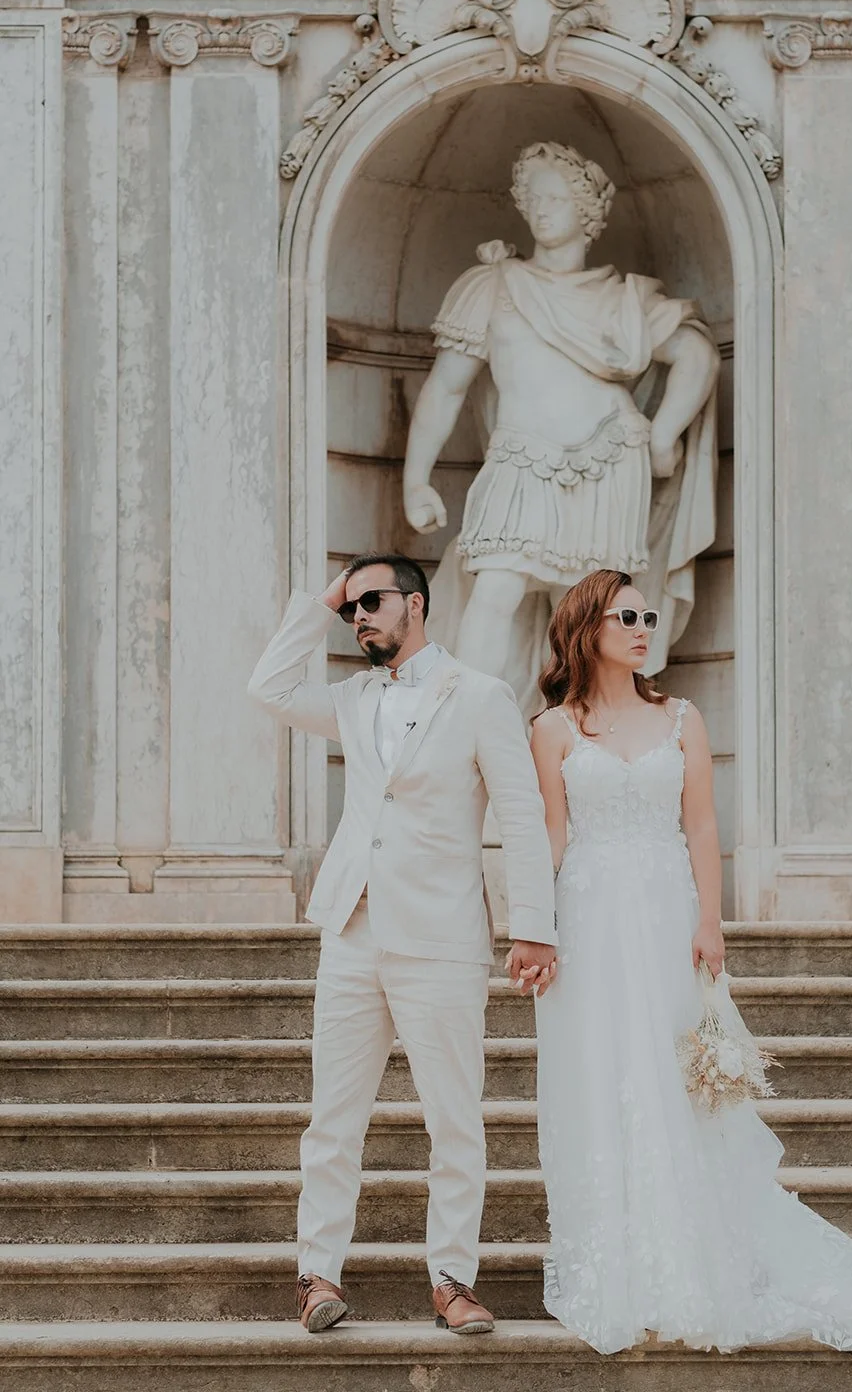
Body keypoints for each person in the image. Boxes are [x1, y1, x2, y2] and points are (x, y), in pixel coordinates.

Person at [529, 569, 852, 1368]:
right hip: (586, 917)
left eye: (648, 615)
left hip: (661, 912)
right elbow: (552, 836)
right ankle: (617, 1262)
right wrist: (534, 930)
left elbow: (700, 827)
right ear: (588, 628)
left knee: (673, 1080)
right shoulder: (551, 729)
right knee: (598, 1078)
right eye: (629, 616)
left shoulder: (680, 717)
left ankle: (691, 1254)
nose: (645, 627)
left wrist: (709, 922)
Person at [247, 554, 558, 1336]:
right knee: (332, 1119)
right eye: (352, 607)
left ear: (415, 605)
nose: (359, 617)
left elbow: (519, 817)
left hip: (442, 934)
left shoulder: (482, 697)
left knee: (454, 1120)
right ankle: (316, 1275)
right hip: (352, 929)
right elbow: (270, 689)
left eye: (372, 602)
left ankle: (452, 1280)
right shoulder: (353, 696)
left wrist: (531, 926)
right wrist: (321, 603)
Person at [402, 141, 720, 716]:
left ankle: (585, 746)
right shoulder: (492, 284)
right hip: (521, 459)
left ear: (587, 210)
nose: (540, 208)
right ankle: (466, 731)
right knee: (495, 587)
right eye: (531, 197)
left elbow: (699, 355)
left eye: (555, 197)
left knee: (584, 616)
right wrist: (415, 478)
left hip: (609, 458)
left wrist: (665, 433)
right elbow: (445, 388)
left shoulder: (622, 299)